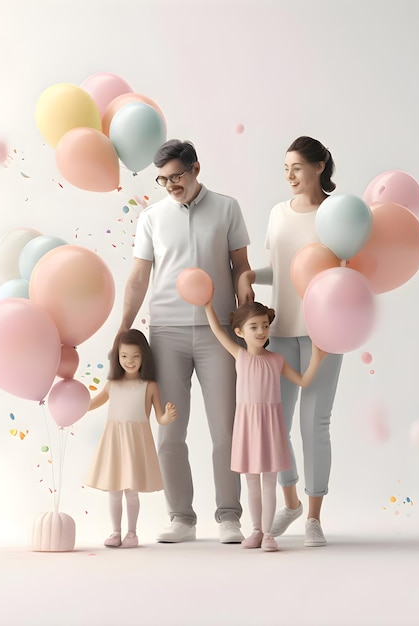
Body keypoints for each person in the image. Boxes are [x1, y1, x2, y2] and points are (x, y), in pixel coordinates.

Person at [118, 139, 254, 543]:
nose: (170, 185)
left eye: (176, 176)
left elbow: (241, 266)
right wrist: (124, 329)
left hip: (219, 333)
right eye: (162, 179)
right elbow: (140, 275)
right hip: (166, 333)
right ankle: (181, 517)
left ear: (196, 168)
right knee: (170, 430)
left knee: (225, 430)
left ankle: (229, 515)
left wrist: (247, 304)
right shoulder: (152, 217)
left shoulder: (227, 208)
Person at [239, 136, 343, 547]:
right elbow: (282, 271)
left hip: (324, 334)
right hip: (277, 336)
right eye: (286, 168)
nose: (289, 175)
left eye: (297, 167)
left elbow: (345, 270)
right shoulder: (278, 214)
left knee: (314, 424)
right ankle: (290, 502)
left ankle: (314, 517)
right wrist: (251, 276)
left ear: (319, 166)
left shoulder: (336, 215)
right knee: (274, 423)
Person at [204, 298, 326, 551]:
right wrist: (207, 305)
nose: (261, 331)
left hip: (270, 425)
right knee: (252, 482)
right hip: (247, 425)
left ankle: (269, 533)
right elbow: (217, 330)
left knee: (269, 482)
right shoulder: (240, 355)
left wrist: (316, 358)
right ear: (239, 332)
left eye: (264, 325)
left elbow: (303, 382)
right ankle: (257, 530)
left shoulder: (276, 360)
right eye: (254, 327)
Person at [85, 329, 177, 548]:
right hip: (114, 442)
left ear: (144, 356)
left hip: (136, 442)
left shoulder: (149, 386)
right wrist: (73, 404)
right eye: (124, 356)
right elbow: (92, 403)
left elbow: (158, 417)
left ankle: (132, 533)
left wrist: (166, 417)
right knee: (114, 489)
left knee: (131, 489)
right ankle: (115, 532)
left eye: (135, 356)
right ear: (117, 357)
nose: (129, 361)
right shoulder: (112, 384)